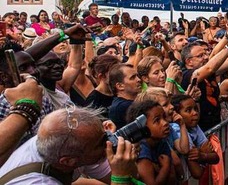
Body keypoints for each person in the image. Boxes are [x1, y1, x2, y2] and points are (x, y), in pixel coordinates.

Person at [0, 106, 138, 184]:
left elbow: (111, 177)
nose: (108, 144)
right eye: (101, 144)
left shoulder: (68, 142)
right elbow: (118, 177)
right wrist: (121, 177)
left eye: (106, 137)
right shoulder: (39, 182)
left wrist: (124, 165)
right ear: (68, 161)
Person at [108, 63, 142, 129]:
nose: (138, 79)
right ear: (120, 86)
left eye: (137, 76)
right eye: (132, 77)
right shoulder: (121, 107)